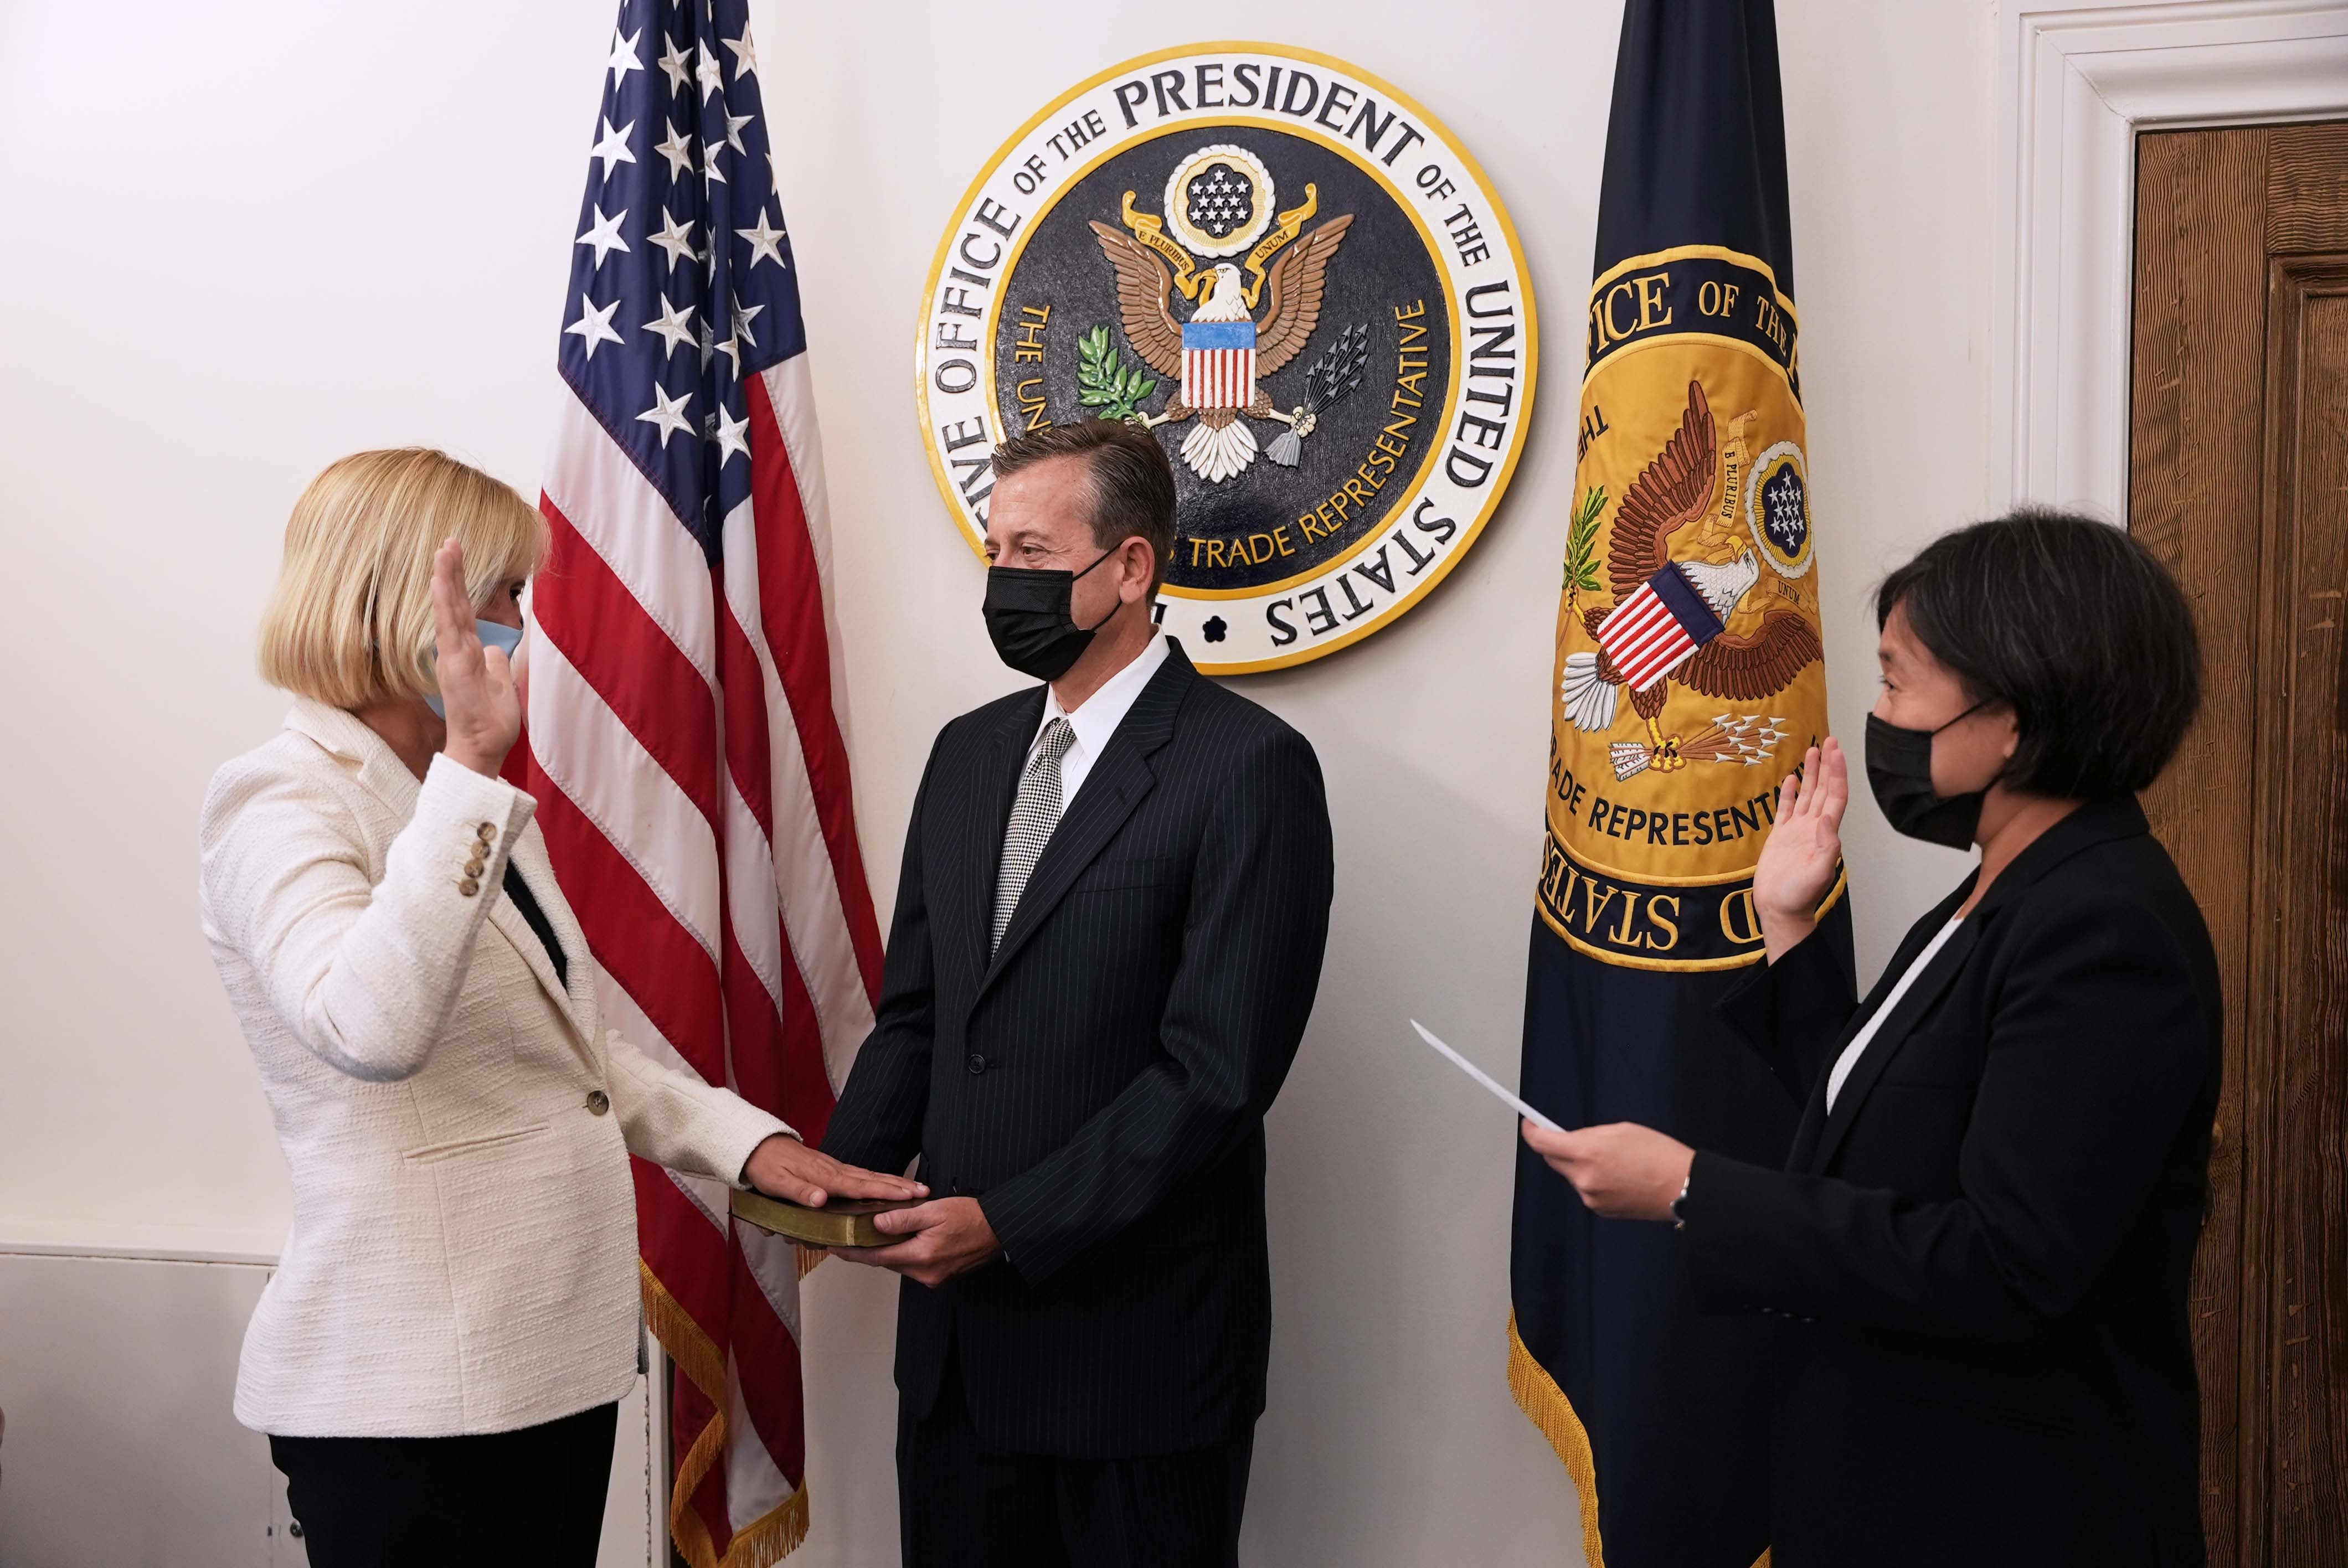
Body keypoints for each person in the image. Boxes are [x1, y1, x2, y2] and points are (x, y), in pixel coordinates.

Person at [198, 448, 920, 1565]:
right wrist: (475, 771)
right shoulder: (285, 796)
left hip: (543, 1368)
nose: (515, 630)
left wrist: (752, 1146)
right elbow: (367, 1028)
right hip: (414, 1400)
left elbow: (580, 1057)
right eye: (499, 598)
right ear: (398, 600)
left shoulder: (453, 799)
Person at [1522, 509, 2219, 1567]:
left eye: (1898, 683)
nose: (1877, 714)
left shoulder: (2104, 925)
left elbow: (2007, 1264)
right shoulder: (1995, 891)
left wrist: (1691, 1191)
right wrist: (1790, 925)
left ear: (2014, 720)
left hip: (2005, 1518)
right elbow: (1878, 1131)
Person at [819, 419, 1334, 1568]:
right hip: (955, 1369)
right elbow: (921, 1014)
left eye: (1035, 555)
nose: (1005, 582)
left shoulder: (1246, 769)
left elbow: (1214, 1077)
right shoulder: (965, 754)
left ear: (1132, 568)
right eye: (994, 551)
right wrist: (837, 1181)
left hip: (1135, 1369)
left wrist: (1009, 1223)